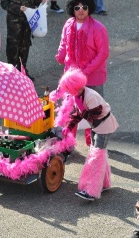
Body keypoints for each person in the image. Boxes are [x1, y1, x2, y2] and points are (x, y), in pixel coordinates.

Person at [54, 68, 118, 200]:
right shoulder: (78, 95)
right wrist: (69, 126)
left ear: (73, 86)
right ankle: (104, 184)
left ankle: (92, 191)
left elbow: (96, 115)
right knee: (99, 154)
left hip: (103, 126)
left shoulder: (90, 96)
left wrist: (82, 111)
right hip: (97, 127)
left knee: (96, 157)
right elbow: (78, 114)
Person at [56, 0, 109, 146]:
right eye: (77, 7)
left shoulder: (98, 28)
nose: (80, 10)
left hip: (93, 78)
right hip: (72, 79)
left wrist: (85, 72)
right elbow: (63, 44)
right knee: (71, 113)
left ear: (89, 9)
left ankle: (95, 145)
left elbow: (103, 53)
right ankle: (68, 146)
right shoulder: (68, 24)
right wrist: (60, 56)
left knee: (95, 112)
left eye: (84, 7)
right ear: (72, 8)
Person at [0, 0, 47, 81]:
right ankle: (12, 72)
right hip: (14, 22)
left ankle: (23, 70)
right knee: (13, 46)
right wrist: (18, 8)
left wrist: (40, 0)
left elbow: (31, 1)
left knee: (25, 45)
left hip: (27, 21)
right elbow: (4, 3)